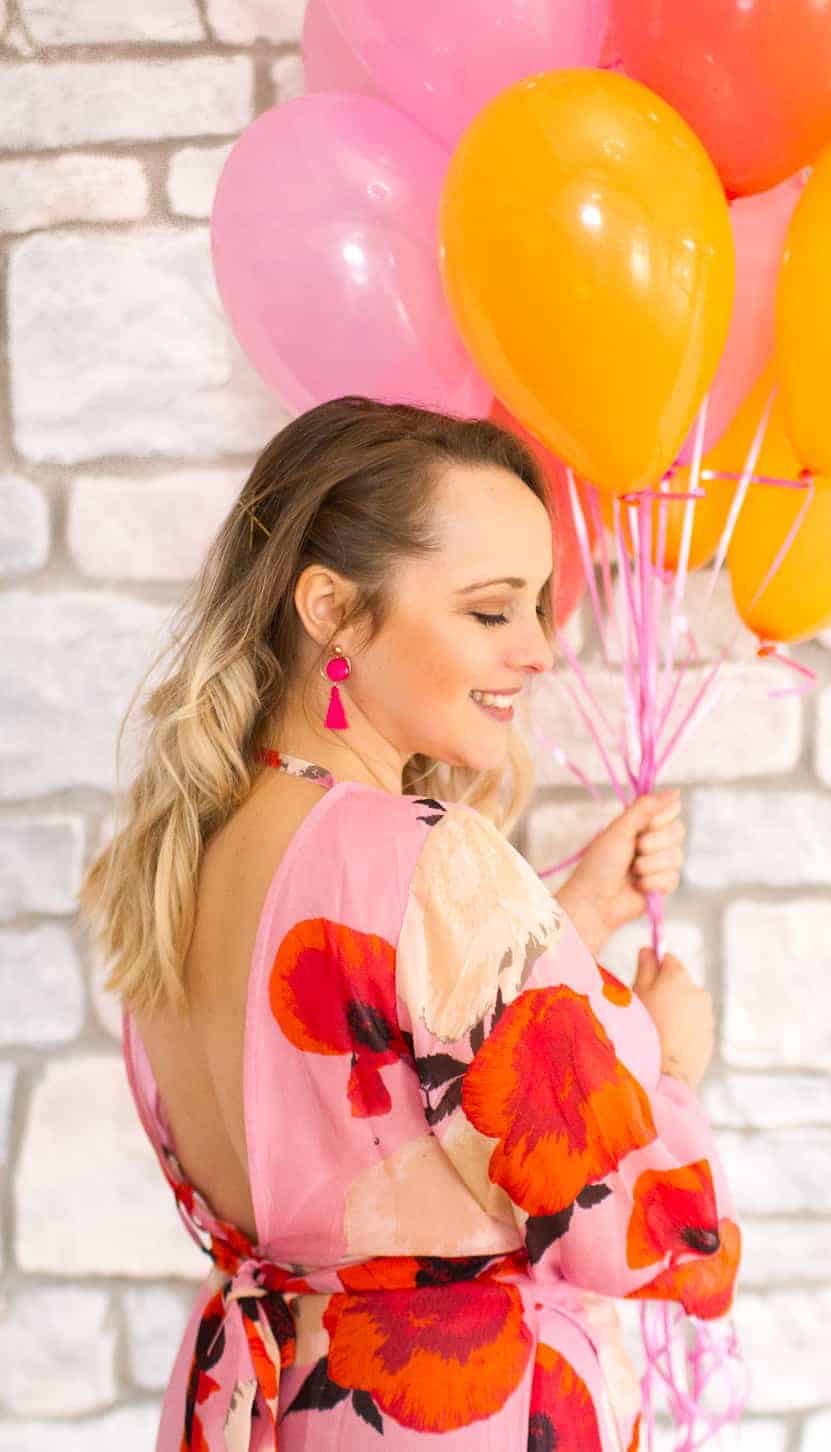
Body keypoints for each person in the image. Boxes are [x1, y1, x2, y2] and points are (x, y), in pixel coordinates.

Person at [79, 397, 740, 1452]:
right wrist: (666, 1059)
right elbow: (636, 1229)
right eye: (491, 612)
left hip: (270, 1404)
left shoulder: (177, 855)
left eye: (538, 607)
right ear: (334, 611)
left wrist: (561, 927)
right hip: (444, 1414)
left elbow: (365, 1090)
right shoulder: (425, 854)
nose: (539, 650)